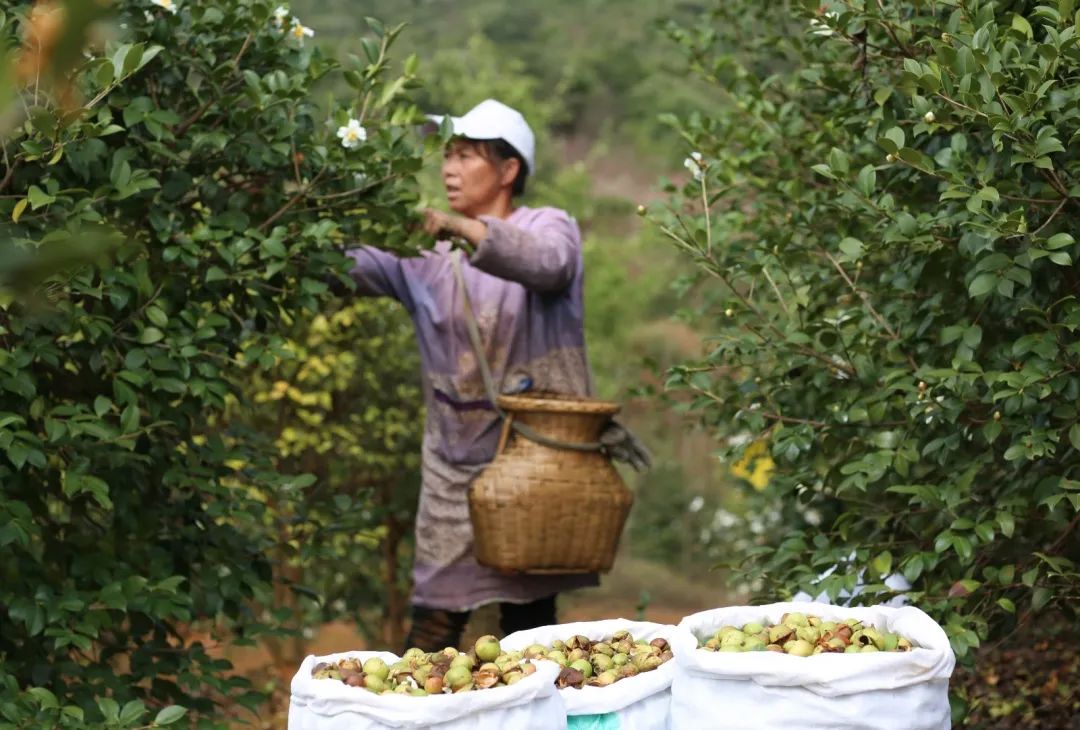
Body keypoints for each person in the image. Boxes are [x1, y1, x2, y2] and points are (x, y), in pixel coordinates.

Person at [345, 99, 600, 652]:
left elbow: (549, 264)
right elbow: (342, 265)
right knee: (433, 625)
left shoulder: (547, 226)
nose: (448, 168)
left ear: (509, 170)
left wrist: (458, 227)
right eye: (447, 155)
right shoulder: (426, 252)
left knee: (530, 626)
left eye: (465, 155)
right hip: (453, 466)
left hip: (534, 461)